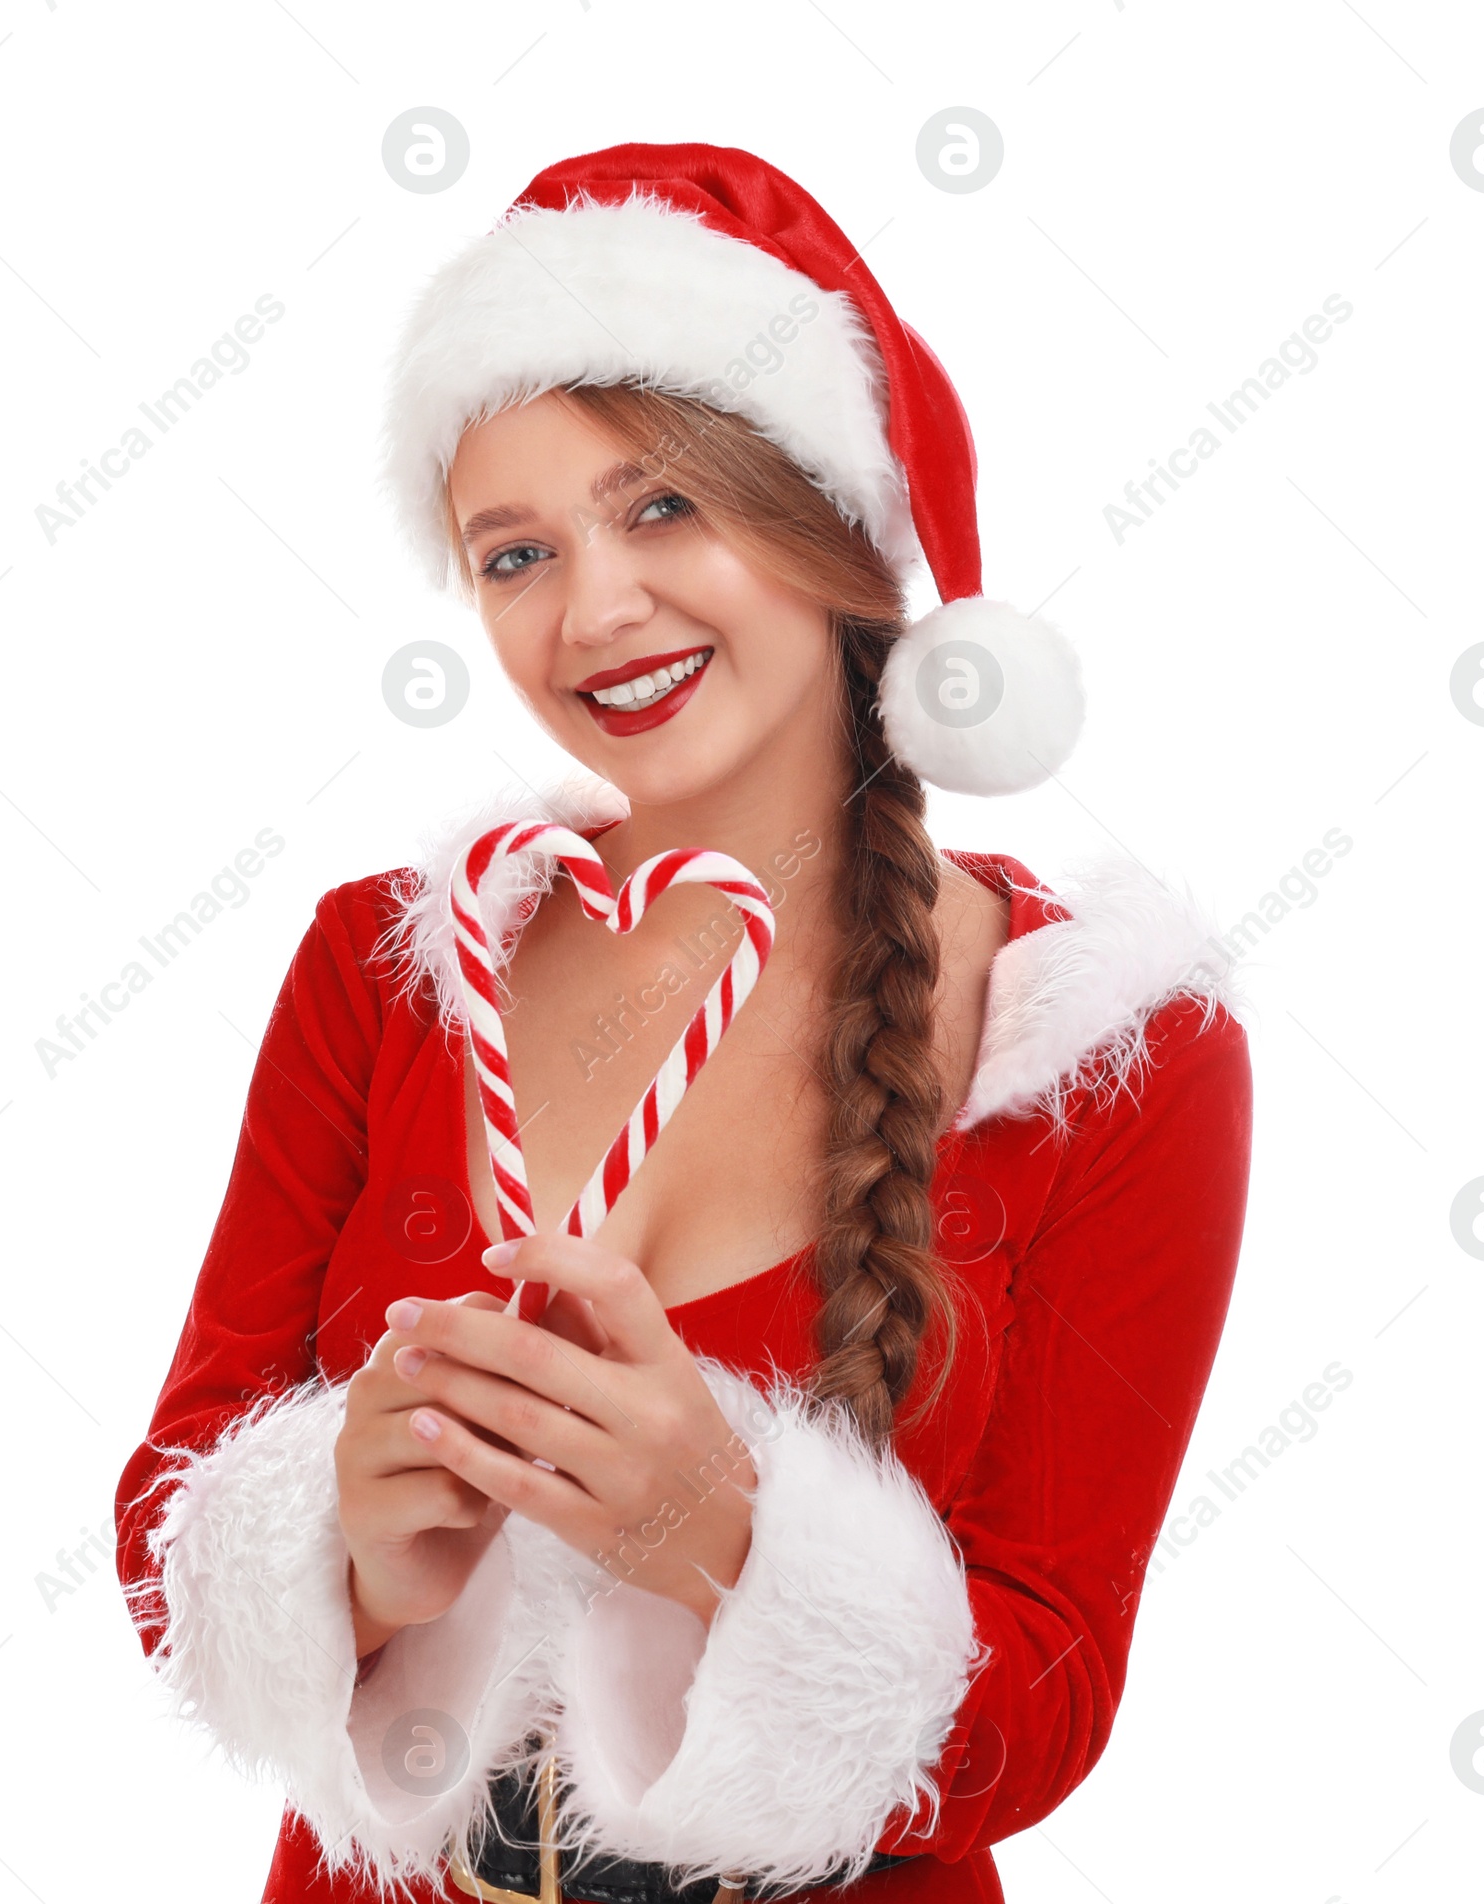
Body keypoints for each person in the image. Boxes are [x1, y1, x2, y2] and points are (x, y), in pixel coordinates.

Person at [115, 143, 1253, 1904]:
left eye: (662, 508)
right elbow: (166, 1519)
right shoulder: (385, 969)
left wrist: (726, 1536)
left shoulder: (1103, 1050)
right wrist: (336, 1543)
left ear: (832, 522)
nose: (592, 614)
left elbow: (1056, 1696)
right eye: (514, 552)